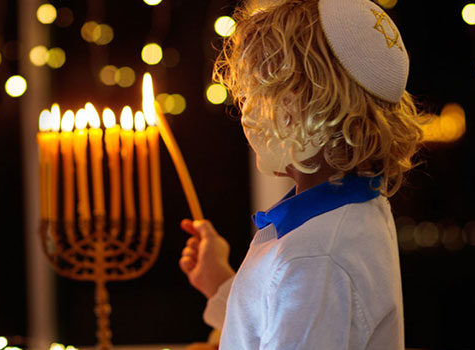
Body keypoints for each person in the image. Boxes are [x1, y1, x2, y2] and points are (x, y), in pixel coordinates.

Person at [179, 0, 424, 349]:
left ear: (298, 112)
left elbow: (307, 297)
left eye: (255, 95)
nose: (245, 113)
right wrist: (220, 286)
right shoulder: (350, 209)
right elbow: (294, 320)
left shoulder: (317, 258)